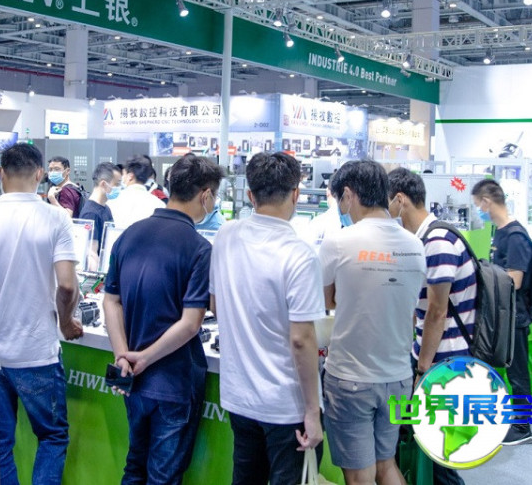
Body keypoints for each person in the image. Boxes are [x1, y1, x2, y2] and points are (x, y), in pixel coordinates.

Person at [0, 143, 83, 485]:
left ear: (0, 172)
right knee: (52, 436)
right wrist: (65, 321)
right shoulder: (56, 219)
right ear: (40, 174)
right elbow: (67, 286)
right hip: (38, 351)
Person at [103, 154, 224, 484]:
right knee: (163, 476)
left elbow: (111, 300)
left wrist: (123, 355)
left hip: (131, 380)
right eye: (214, 195)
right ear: (206, 195)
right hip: (173, 382)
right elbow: (191, 323)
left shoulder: (129, 235)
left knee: (134, 465)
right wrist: (143, 358)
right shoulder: (199, 248)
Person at [210, 152, 324, 484]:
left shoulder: (226, 236)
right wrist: (313, 412)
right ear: (296, 194)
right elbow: (301, 339)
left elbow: (216, 305)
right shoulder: (300, 255)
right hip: (285, 405)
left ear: (250, 195)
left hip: (239, 396)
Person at [319, 160, 426, 485]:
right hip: (398, 377)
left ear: (349, 194)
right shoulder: (415, 245)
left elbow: (326, 300)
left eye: (340, 200)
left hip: (351, 377)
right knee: (386, 465)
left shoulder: (340, 242)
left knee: (359, 476)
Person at [388, 168, 476, 485]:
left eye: (387, 203)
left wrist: (422, 368)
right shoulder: (425, 239)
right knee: (428, 447)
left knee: (438, 453)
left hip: (445, 362)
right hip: (437, 357)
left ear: (400, 200)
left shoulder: (438, 242)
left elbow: (437, 312)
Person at [472, 178, 532, 446]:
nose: (479, 211)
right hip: (502, 315)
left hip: (515, 317)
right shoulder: (499, 232)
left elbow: (515, 280)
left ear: (487, 202)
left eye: (478, 205)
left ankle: (523, 426)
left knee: (518, 373)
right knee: (502, 370)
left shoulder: (516, 236)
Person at [80, 162, 121, 268]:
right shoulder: (91, 214)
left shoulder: (106, 208)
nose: (119, 188)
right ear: (103, 184)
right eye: (117, 184)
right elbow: (91, 253)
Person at [107, 155, 166, 229]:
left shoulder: (113, 201)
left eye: (123, 174)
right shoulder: (159, 205)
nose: (122, 178)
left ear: (130, 176)